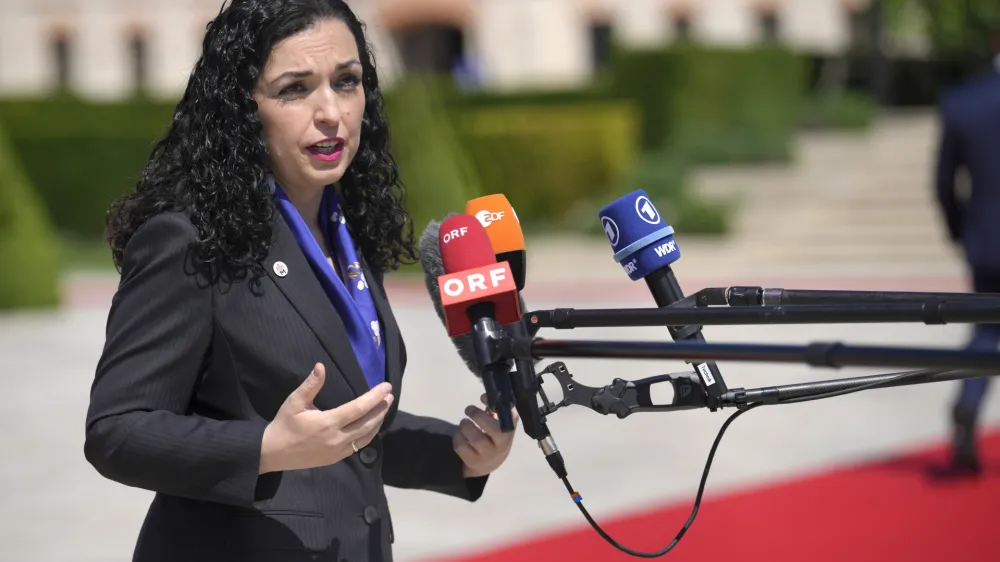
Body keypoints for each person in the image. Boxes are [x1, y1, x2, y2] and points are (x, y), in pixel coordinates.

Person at [83, 1, 516, 560]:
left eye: (347, 81)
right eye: (295, 88)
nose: (331, 111)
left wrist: (457, 454)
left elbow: (345, 422)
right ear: (244, 109)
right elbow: (116, 431)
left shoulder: (346, 228)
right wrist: (264, 448)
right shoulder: (188, 239)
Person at [934, 28, 1000, 476]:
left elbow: (943, 183)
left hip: (988, 242)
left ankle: (968, 401)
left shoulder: (964, 100)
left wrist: (962, 232)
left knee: (986, 330)